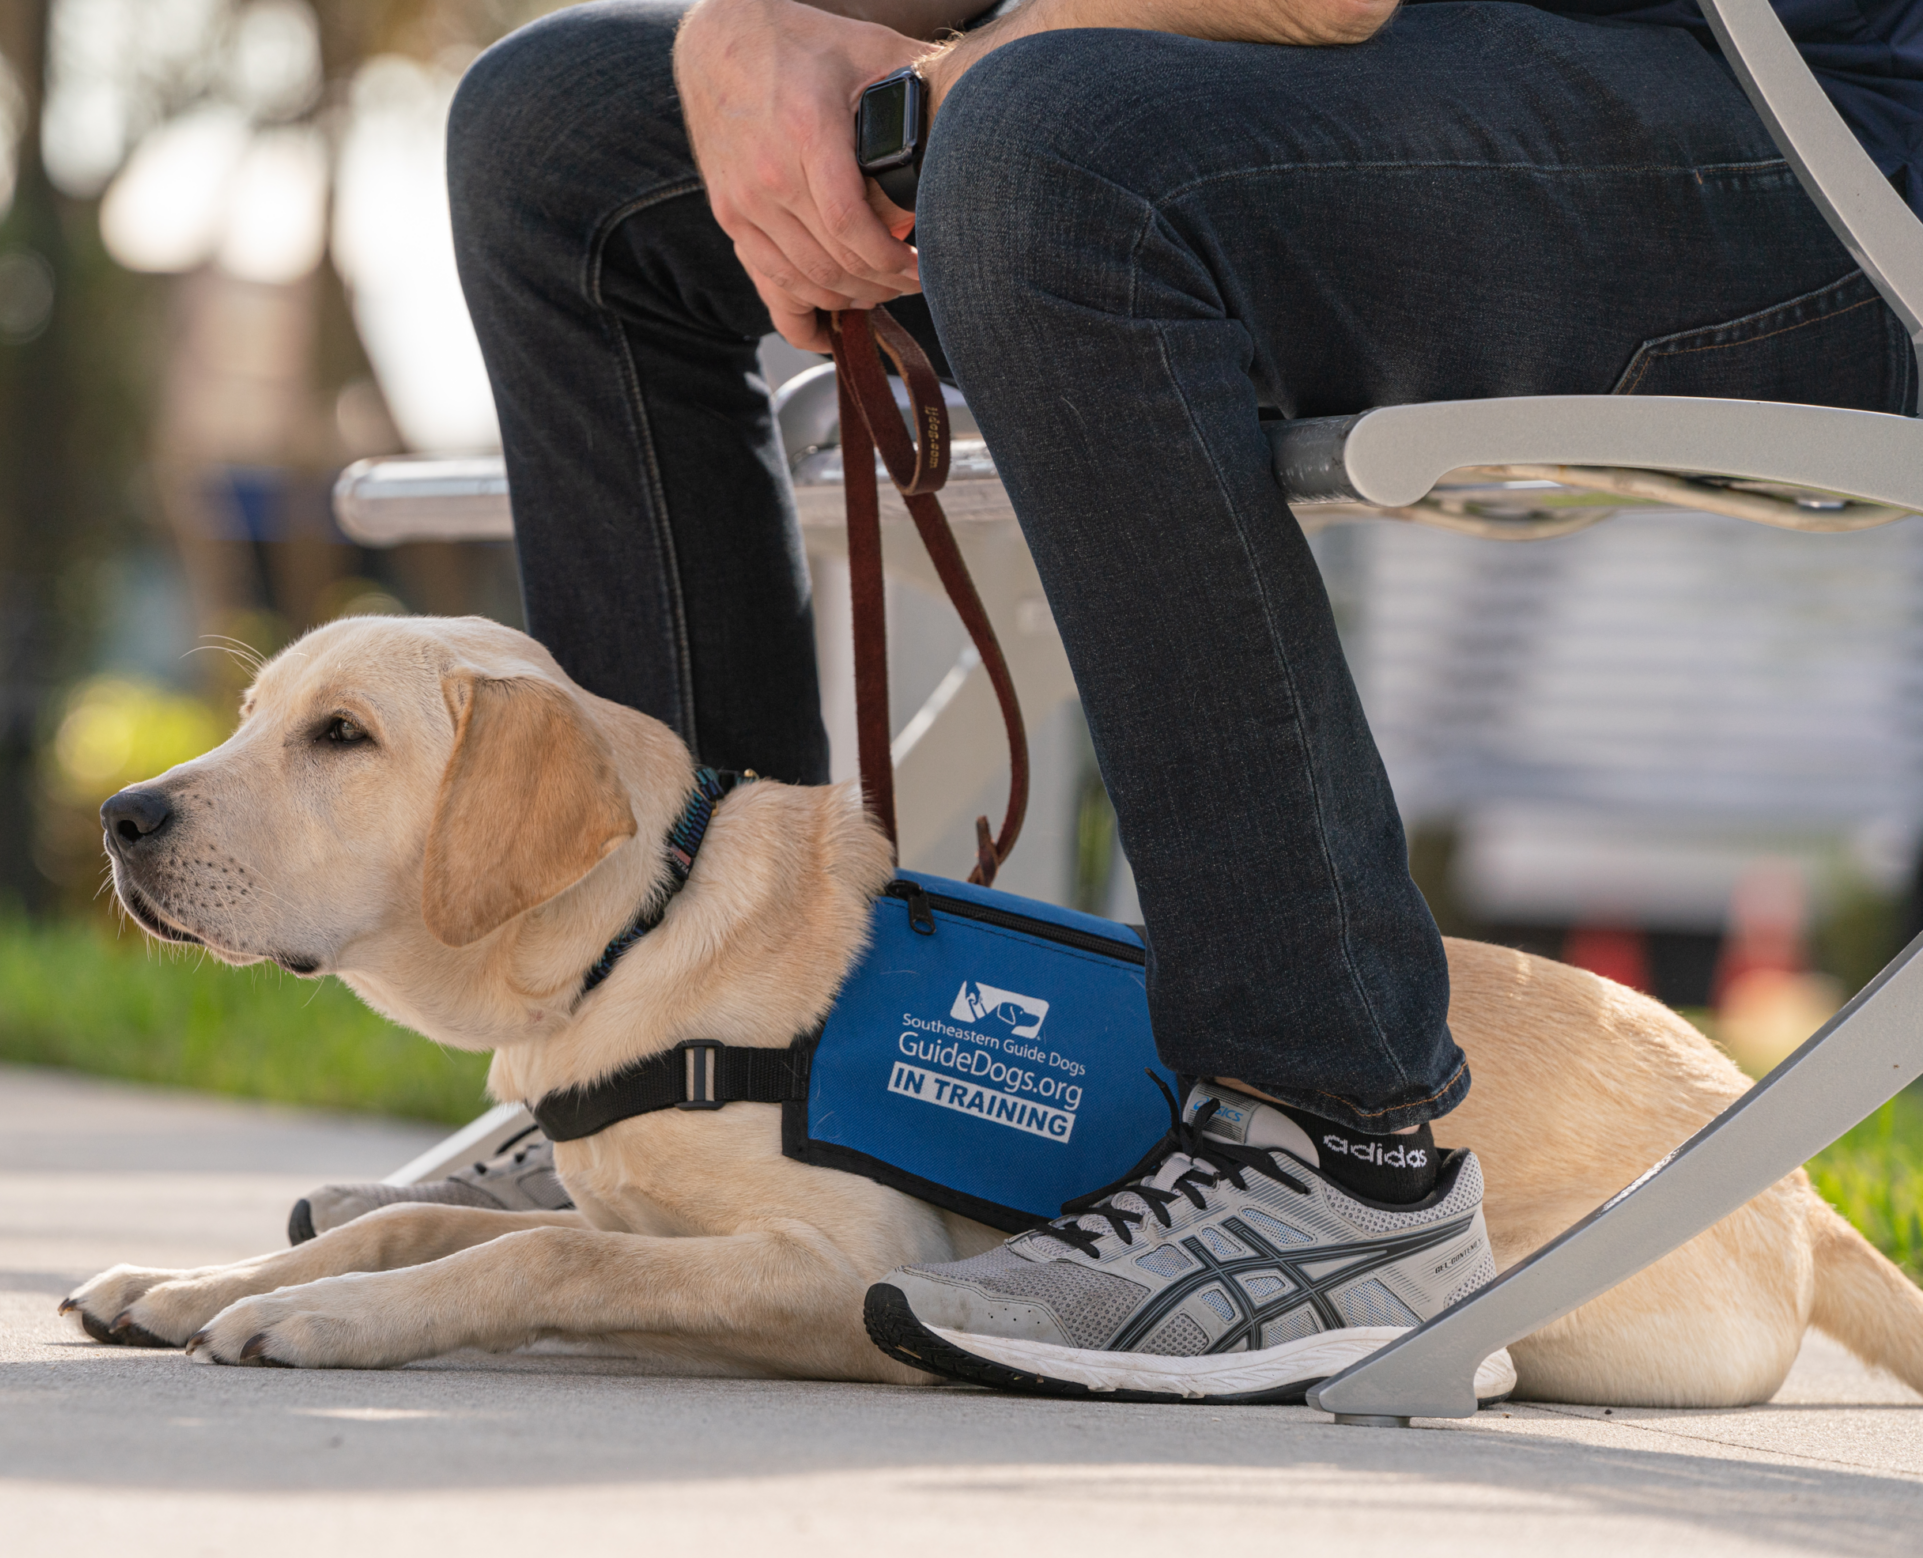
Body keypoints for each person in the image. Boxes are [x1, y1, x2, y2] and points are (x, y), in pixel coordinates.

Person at [303, 0, 1918, 1395]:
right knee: (556, 135)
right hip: (1349, 90)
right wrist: (764, 33)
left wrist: (973, 65)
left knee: (1042, 142)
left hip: (1801, 134)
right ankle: (676, 1065)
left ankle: (1335, 1158)